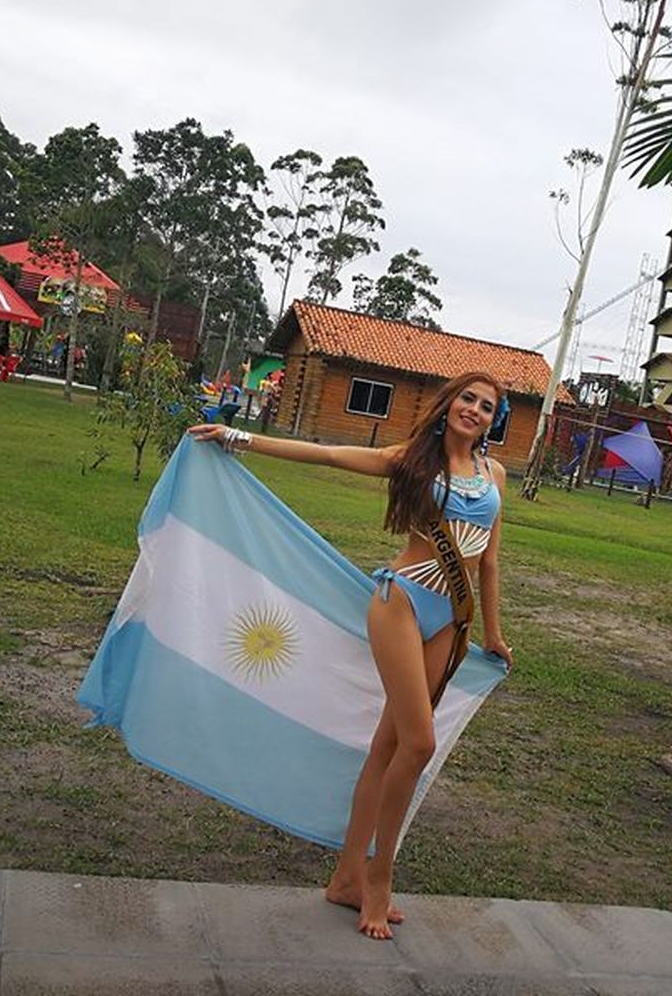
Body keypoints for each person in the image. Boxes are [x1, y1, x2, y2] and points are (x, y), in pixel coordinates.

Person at [186, 371, 513, 940]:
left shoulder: (494, 476)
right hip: (402, 604)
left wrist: (494, 633)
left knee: (390, 747)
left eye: (486, 407)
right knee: (419, 743)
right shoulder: (412, 460)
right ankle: (378, 878)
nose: (475, 410)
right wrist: (240, 438)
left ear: (491, 421)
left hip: (451, 620)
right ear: (448, 404)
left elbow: (488, 562)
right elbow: (329, 455)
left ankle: (344, 878)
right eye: (468, 398)